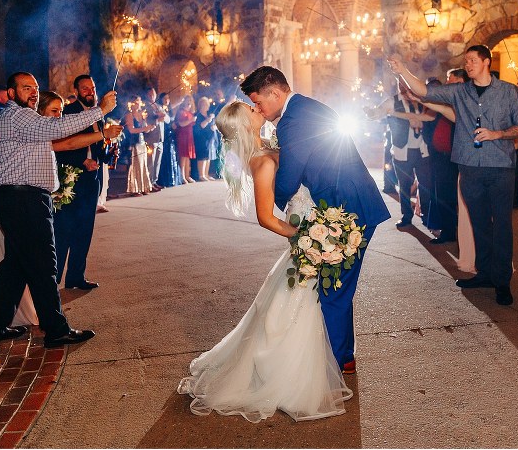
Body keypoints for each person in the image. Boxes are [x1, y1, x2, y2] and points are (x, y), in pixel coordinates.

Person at [177, 101, 353, 422]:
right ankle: (291, 379)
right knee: (302, 299)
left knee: (301, 298)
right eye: (251, 109)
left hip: (309, 215)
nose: (257, 107)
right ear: (245, 124)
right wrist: (300, 236)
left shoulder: (268, 144)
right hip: (302, 227)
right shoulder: (261, 162)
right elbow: (264, 217)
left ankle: (304, 365)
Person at [241, 66, 390, 373]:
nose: (260, 109)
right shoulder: (303, 107)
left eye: (261, 102)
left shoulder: (293, 122)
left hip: (348, 209)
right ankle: (344, 355)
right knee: (338, 284)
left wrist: (268, 198)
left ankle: (335, 364)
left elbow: (288, 179)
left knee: (332, 288)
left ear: (276, 92)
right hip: (348, 201)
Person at [0, 71, 116, 348]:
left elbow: (60, 136)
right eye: (25, 87)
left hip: (19, 198)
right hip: (23, 199)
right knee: (44, 263)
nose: (33, 92)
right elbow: (59, 130)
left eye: (35, 88)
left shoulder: (27, 120)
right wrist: (100, 110)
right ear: (11, 93)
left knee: (16, 266)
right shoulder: (18, 116)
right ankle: (55, 330)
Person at [389, 45, 518, 306]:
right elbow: (423, 90)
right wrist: (402, 70)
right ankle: (484, 273)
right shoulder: (460, 91)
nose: (468, 64)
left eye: (473, 60)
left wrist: (497, 134)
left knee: (501, 225)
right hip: (469, 167)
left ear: (486, 62)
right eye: (465, 61)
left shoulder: (509, 92)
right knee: (478, 223)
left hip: (500, 167)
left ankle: (502, 282)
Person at [53, 75, 119, 290]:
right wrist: (82, 161)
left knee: (84, 230)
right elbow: (62, 147)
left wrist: (108, 152)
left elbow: (97, 146)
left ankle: (76, 276)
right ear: (77, 90)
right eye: (85, 89)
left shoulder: (99, 114)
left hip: (92, 180)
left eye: (92, 87)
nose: (90, 92)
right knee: (64, 230)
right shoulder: (68, 112)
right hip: (71, 179)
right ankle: (53, 279)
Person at [364, 81, 434, 228]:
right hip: (402, 150)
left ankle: (426, 215)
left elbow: (430, 118)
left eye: (407, 85)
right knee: (404, 186)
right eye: (401, 85)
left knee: (426, 184)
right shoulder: (392, 102)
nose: (404, 88)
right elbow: (377, 113)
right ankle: (406, 216)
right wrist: (370, 112)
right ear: (397, 86)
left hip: (423, 149)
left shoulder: (421, 100)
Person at [423, 68, 467, 243]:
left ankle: (453, 232)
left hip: (453, 157)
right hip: (441, 156)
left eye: (449, 78)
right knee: (442, 195)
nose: (447, 82)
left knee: (451, 196)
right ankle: (448, 231)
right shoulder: (450, 99)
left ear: (459, 80)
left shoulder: (462, 99)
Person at [123, 95, 156, 196]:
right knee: (135, 165)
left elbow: (145, 128)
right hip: (133, 143)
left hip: (142, 142)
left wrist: (150, 127)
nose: (138, 103)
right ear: (132, 103)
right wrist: (145, 129)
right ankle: (134, 189)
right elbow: (131, 130)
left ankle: (144, 186)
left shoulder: (142, 114)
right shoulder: (129, 115)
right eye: (137, 101)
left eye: (139, 101)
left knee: (143, 165)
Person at [157, 92, 183, 187]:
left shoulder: (169, 109)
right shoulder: (160, 109)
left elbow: (172, 120)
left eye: (168, 98)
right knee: (165, 157)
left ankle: (172, 179)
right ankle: (163, 180)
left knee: (172, 155)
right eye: (164, 98)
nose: (166, 100)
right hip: (164, 135)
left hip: (171, 135)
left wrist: (174, 125)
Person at [144, 87, 166, 189]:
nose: (151, 96)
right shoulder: (146, 106)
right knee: (150, 162)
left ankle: (154, 181)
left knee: (157, 161)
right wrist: (158, 117)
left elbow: (166, 118)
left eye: (153, 94)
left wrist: (162, 116)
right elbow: (148, 119)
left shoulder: (158, 106)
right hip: (151, 137)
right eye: (150, 94)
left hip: (160, 138)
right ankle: (148, 183)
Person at [193, 96, 218, 181]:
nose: (207, 106)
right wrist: (208, 120)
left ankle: (206, 174)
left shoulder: (208, 115)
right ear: (201, 105)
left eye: (207, 104)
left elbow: (213, 125)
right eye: (205, 104)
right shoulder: (199, 115)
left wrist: (214, 126)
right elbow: (201, 125)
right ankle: (201, 175)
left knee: (208, 156)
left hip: (209, 139)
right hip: (201, 138)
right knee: (202, 156)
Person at [175, 95, 197, 183]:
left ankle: (187, 176)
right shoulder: (181, 112)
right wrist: (191, 120)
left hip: (189, 135)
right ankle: (182, 176)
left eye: (190, 100)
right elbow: (181, 124)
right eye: (187, 100)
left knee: (188, 156)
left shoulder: (190, 112)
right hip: (183, 135)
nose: (189, 102)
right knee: (183, 156)